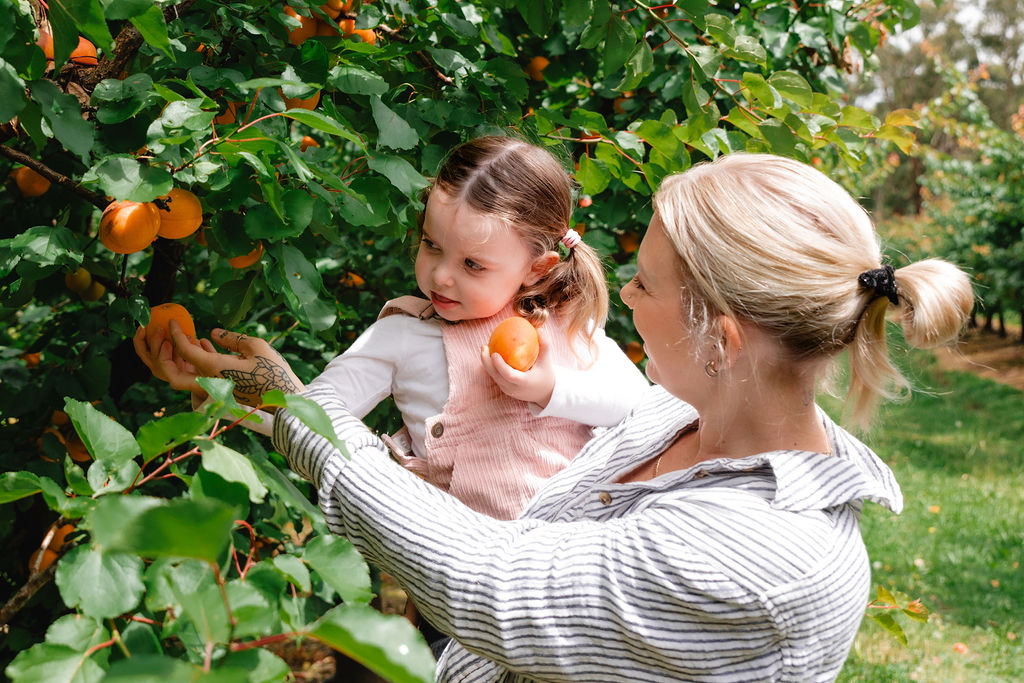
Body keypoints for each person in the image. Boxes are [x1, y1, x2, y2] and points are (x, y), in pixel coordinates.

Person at [138, 152, 974, 681]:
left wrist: (299, 414)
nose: (620, 299)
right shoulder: (672, 420)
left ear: (720, 337)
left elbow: (491, 583)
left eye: (643, 284)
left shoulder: (763, 559)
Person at [137, 135, 648, 522]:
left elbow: (642, 410)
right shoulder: (404, 334)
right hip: (458, 576)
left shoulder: (567, 322)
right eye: (431, 246)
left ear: (537, 268)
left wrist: (548, 388)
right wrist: (223, 390)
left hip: (573, 557)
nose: (441, 275)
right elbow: (313, 422)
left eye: (473, 265)